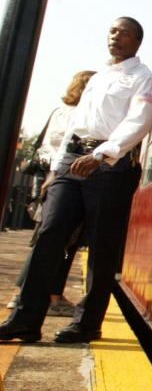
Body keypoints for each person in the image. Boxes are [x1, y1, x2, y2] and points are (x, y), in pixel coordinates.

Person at [0, 17, 152, 344]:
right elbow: (77, 123)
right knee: (49, 232)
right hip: (74, 161)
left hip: (110, 167)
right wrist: (57, 170)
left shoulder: (143, 80)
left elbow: (138, 122)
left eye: (123, 33)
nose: (115, 37)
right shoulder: (98, 78)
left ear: (137, 42)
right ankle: (26, 320)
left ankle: (88, 323)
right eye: (112, 31)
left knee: (102, 246)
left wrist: (102, 154)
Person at [7, 70, 96, 316]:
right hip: (67, 178)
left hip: (49, 178)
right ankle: (49, 296)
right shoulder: (84, 115)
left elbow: (43, 146)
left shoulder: (59, 112)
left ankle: (28, 294)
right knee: (64, 241)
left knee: (46, 238)